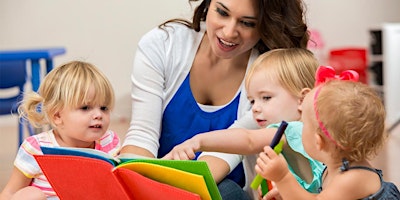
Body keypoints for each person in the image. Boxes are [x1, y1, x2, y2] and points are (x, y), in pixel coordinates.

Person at [120, 0, 309, 198]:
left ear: (266, 25)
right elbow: (142, 133)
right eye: (222, 12)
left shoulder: (268, 79)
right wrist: (131, 178)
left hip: (216, 189)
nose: (228, 32)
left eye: (247, 23)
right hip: (158, 183)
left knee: (226, 191)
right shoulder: (164, 44)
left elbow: (218, 160)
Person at [163, 48, 324, 199]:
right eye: (252, 101)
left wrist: (198, 141)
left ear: (302, 99)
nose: (255, 109)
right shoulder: (299, 140)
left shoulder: (293, 130)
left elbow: (248, 139)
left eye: (266, 98)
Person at [254, 69, 400, 199]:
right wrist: (285, 193)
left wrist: (283, 177)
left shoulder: (351, 179)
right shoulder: (335, 169)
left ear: (319, 141)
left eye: (303, 125)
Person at [0, 61, 121, 200]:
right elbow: (9, 193)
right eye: (85, 108)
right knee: (30, 195)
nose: (98, 115)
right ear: (57, 116)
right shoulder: (37, 148)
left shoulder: (108, 141)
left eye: (104, 108)